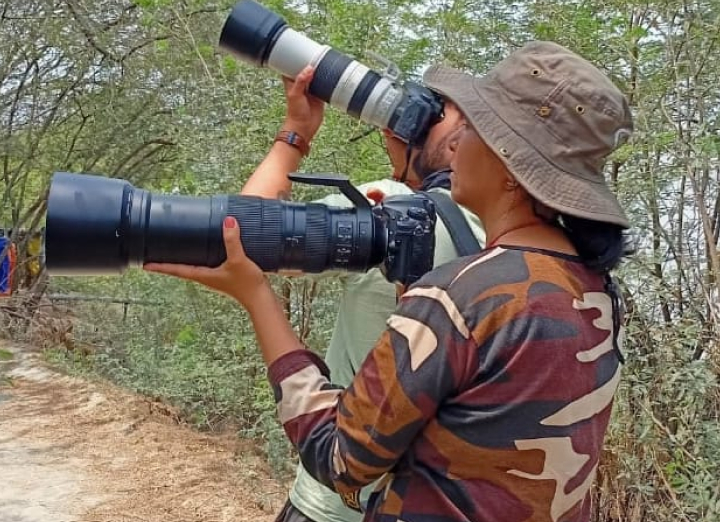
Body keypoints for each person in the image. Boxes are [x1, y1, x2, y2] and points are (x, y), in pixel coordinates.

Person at [146, 41, 633, 522]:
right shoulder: (595, 290)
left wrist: (256, 296)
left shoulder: (459, 296)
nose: (460, 144)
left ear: (510, 168)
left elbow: (340, 459)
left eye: (478, 128)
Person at [242, 66, 485, 522]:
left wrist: (295, 133)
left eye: (437, 112)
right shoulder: (530, 242)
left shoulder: (389, 210)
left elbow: (242, 235)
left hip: (336, 501)